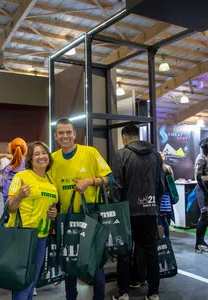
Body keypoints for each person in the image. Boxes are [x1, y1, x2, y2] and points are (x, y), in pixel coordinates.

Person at [48, 117, 114, 300]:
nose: (65, 136)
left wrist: (90, 182)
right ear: (55, 136)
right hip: (66, 218)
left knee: (95, 262)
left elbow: (111, 178)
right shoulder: (52, 160)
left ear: (75, 134)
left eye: (69, 132)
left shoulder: (90, 153)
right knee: (69, 263)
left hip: (90, 217)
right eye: (61, 133)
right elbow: (50, 189)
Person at [111, 123, 164, 300]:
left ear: (124, 137)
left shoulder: (121, 154)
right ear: (138, 135)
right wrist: (153, 203)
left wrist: (116, 209)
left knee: (124, 253)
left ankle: (124, 293)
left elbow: (117, 186)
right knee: (151, 252)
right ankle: (154, 293)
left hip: (127, 212)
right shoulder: (155, 154)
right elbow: (161, 184)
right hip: (150, 211)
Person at [6, 141, 58, 300]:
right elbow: (9, 207)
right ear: (30, 158)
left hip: (42, 236)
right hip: (22, 236)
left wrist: (53, 214)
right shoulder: (22, 176)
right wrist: (19, 195)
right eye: (37, 154)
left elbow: (48, 211)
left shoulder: (50, 183)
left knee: (32, 281)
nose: (41, 156)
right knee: (23, 282)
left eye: (44, 153)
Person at [194, 138, 208, 253]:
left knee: (206, 217)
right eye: (207, 146)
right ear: (203, 147)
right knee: (204, 216)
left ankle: (201, 242)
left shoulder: (207, 159)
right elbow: (198, 177)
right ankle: (199, 244)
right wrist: (205, 191)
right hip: (202, 190)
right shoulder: (201, 158)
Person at [2, 138, 27, 206]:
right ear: (25, 150)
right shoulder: (32, 167)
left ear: (11, 151)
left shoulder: (8, 169)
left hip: (14, 208)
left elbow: (6, 194)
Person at [158, 151, 174, 238]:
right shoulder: (166, 168)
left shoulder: (167, 168)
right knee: (163, 220)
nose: (162, 157)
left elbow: (171, 183)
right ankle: (165, 239)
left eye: (163, 155)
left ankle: (164, 239)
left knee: (162, 220)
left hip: (164, 196)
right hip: (163, 197)